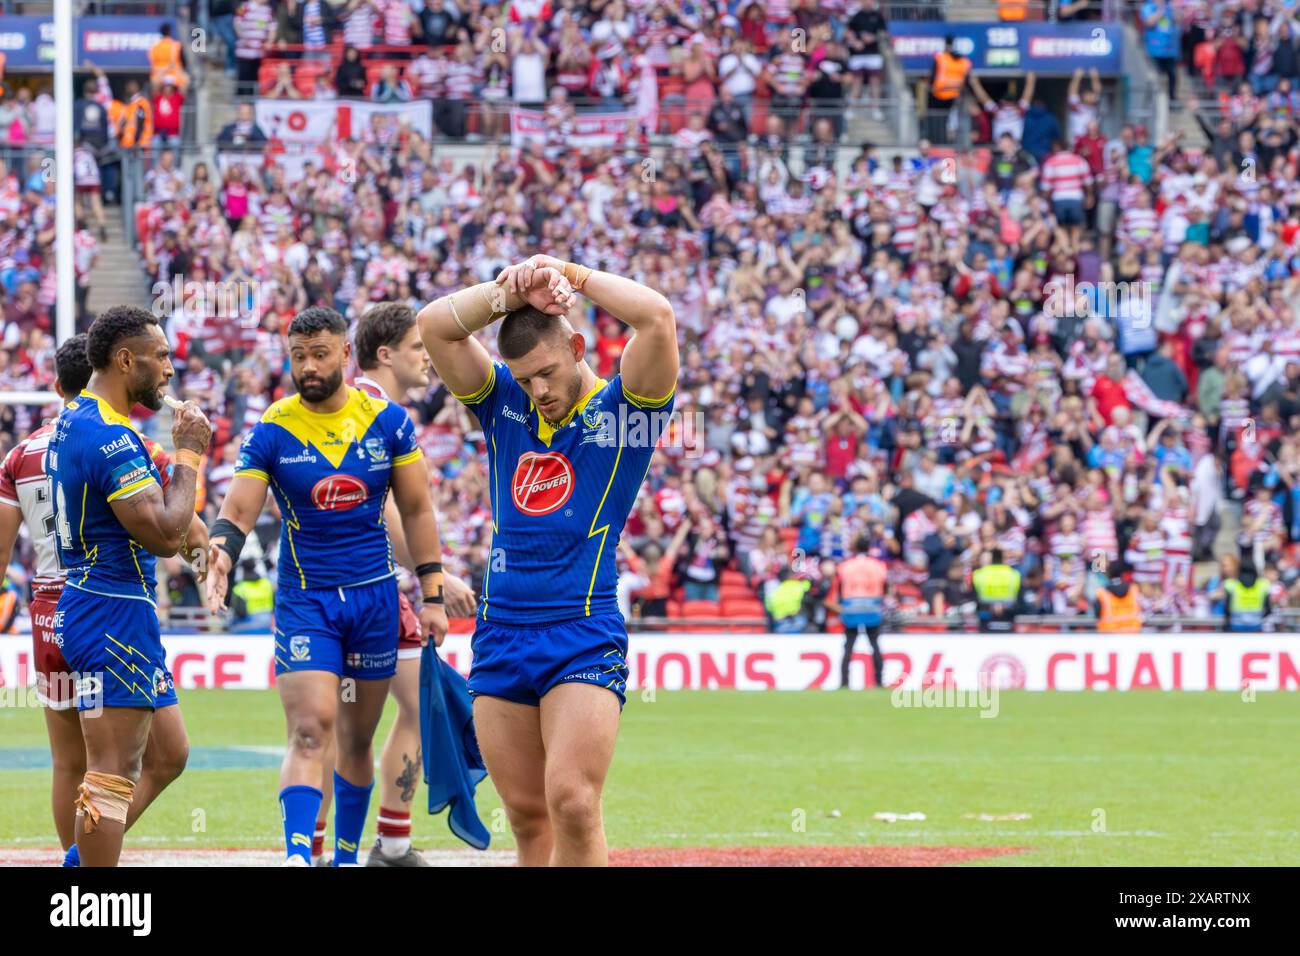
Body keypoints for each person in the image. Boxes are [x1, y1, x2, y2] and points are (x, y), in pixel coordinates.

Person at [417, 252, 679, 866]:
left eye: (547, 373)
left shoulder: (625, 414)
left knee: (574, 802)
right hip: (501, 630)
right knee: (529, 818)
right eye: (525, 377)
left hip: (582, 631)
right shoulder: (503, 403)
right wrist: (508, 293)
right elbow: (435, 326)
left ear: (580, 346)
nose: (539, 390)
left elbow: (658, 320)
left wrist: (571, 273)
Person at [204, 306, 451, 867]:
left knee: (358, 741)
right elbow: (240, 508)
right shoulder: (273, 426)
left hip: (374, 602)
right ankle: (297, 857)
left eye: (319, 355)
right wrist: (221, 551)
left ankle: (343, 857)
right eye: (298, 357)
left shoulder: (387, 422)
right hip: (306, 602)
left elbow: (416, 508)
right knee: (312, 729)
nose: (308, 367)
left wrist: (432, 593)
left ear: (345, 354)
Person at [0, 334, 206, 865]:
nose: (169, 367)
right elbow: (167, 535)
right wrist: (189, 455)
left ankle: (77, 867)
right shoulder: (116, 438)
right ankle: (87, 896)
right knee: (109, 771)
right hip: (108, 607)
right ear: (124, 360)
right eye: (161, 356)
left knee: (161, 753)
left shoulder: (54, 432)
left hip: (73, 604)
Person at [334, 302, 476, 867]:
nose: (429, 359)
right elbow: (386, 511)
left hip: (340, 588)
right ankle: (369, 846)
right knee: (378, 716)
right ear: (386, 353)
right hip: (363, 589)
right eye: (420, 349)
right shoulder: (373, 412)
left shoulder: (359, 407)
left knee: (352, 721)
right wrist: (434, 577)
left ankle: (362, 844)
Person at [828, 535, 888, 689]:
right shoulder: (878, 565)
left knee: (848, 646)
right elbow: (885, 586)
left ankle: (844, 682)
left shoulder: (845, 566)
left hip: (851, 607)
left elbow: (838, 588)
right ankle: (879, 682)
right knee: (875, 645)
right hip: (872, 607)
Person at [971, 547, 1021, 632]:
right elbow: (1020, 602)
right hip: (1008, 620)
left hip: (985, 621)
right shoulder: (1014, 575)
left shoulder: (978, 575)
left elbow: (975, 600)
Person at [1222, 558, 1271, 632]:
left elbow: (1226, 610)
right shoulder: (1263, 585)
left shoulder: (1231, 584)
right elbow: (1268, 610)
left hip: (1236, 628)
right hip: (1257, 627)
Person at [1094, 562, 1141, 632]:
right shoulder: (1133, 589)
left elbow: (1097, 614)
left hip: (1109, 636)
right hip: (1132, 635)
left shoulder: (1102, 593)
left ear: (1108, 573)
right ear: (1122, 574)